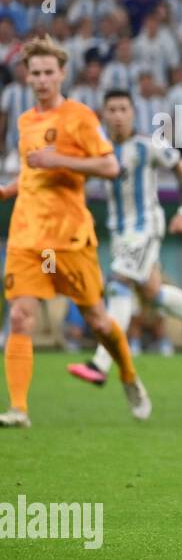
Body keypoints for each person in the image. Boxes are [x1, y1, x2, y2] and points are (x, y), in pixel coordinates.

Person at [1, 35, 150, 427]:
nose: (42, 80)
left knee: (99, 322)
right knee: (19, 317)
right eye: (35, 73)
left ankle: (129, 376)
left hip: (70, 238)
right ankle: (19, 408)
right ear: (27, 76)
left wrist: (58, 159)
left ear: (62, 74)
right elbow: (33, 173)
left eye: (49, 72)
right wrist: (8, 189)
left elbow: (110, 167)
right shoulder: (25, 121)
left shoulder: (81, 117)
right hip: (27, 235)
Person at [66, 91, 182, 386]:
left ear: (133, 112)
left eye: (123, 109)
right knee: (154, 295)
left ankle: (100, 364)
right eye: (111, 109)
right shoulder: (100, 151)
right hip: (119, 231)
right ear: (104, 115)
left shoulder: (148, 144)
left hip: (145, 228)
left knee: (118, 285)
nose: (117, 115)